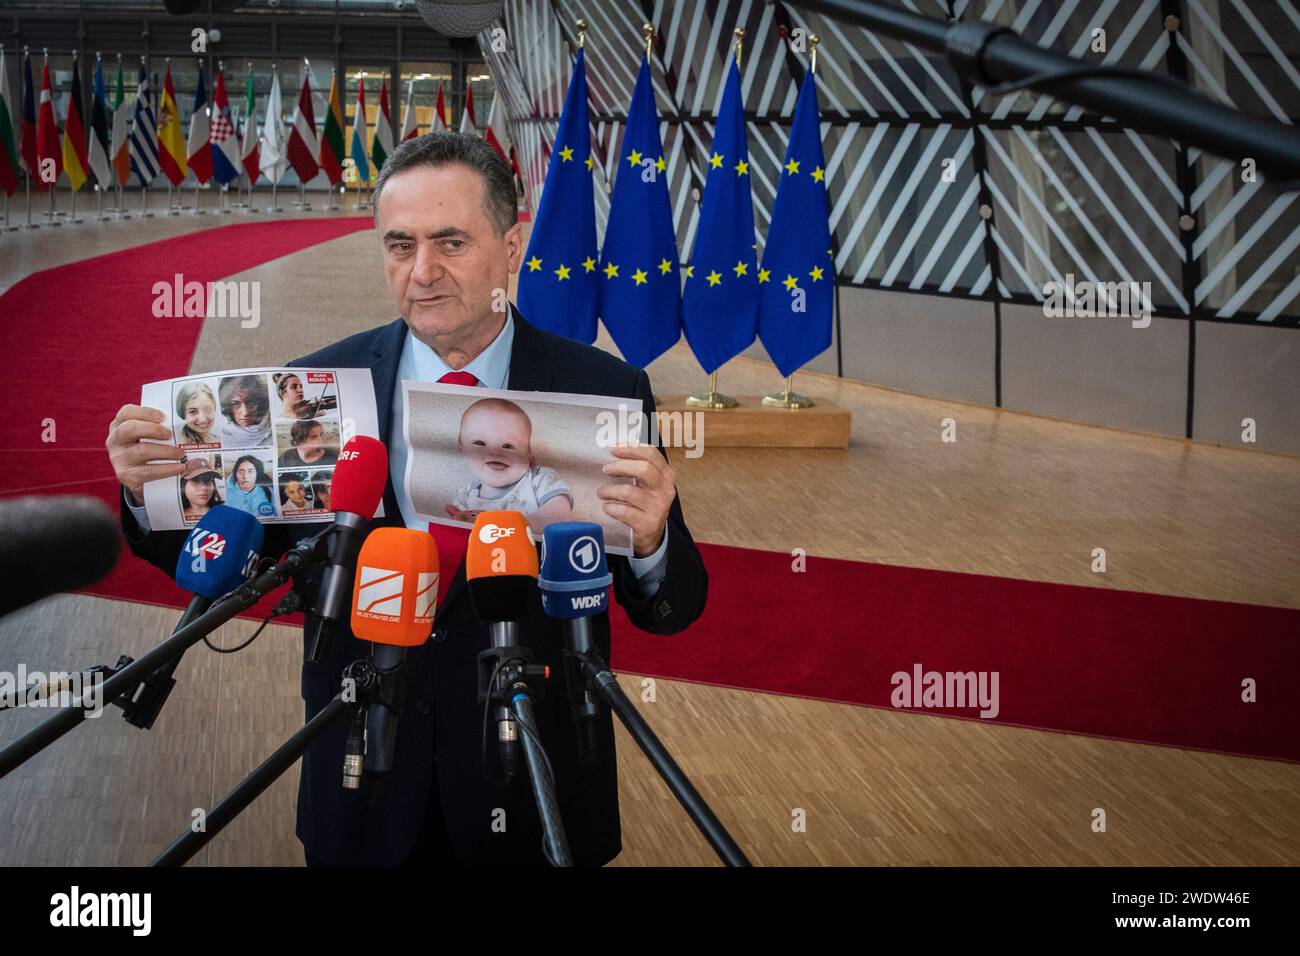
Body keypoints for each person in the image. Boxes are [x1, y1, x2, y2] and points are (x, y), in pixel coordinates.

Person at [105, 131, 707, 868]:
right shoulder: (316, 388)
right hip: (365, 773)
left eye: (451, 241)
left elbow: (672, 605)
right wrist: (145, 493)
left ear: (512, 247)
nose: (422, 272)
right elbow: (225, 556)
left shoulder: (604, 391)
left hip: (533, 782)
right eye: (399, 245)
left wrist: (651, 545)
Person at [445, 397, 573, 529]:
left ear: (528, 453)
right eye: (480, 443)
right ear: (463, 450)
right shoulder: (466, 495)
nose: (495, 452)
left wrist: (501, 526)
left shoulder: (539, 480)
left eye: (507, 446)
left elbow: (559, 519)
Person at [219, 374, 271, 448]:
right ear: (228, 406)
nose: (245, 413)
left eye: (251, 402)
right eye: (236, 404)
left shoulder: (270, 431)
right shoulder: (220, 434)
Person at [175, 382, 219, 446]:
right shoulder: (179, 443)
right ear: (183, 413)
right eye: (193, 412)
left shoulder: (218, 439)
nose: (202, 419)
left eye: (208, 409)